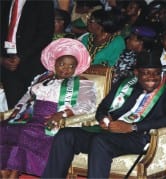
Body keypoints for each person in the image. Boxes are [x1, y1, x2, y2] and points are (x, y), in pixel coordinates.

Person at [42, 51, 166, 178]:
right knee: (65, 134)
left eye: (156, 73)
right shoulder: (126, 84)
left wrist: (133, 127)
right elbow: (103, 107)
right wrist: (103, 119)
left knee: (100, 141)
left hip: (139, 137)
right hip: (110, 132)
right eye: (146, 72)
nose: (152, 77)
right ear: (136, 73)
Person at [0, 38, 97, 178]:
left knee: (24, 133)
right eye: (62, 64)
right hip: (29, 116)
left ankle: (12, 173)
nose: (66, 69)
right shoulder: (43, 77)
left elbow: (88, 105)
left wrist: (62, 114)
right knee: (4, 128)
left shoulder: (81, 83)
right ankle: (6, 172)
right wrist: (17, 109)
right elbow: (28, 96)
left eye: (71, 66)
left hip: (51, 120)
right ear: (54, 63)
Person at [0, 0, 54, 109]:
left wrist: (22, 56)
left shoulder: (42, 2)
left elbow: (45, 34)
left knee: (32, 108)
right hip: (7, 62)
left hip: (31, 63)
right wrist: (1, 59)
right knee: (14, 108)